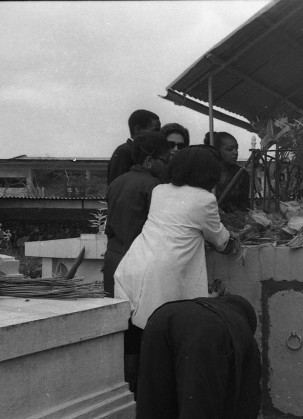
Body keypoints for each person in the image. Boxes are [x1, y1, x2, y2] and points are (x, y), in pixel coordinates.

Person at [127, 294, 262, 419]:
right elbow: (250, 400)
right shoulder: (243, 332)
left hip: (160, 317)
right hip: (205, 331)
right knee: (197, 417)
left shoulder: (205, 306)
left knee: (150, 414)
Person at [114, 145, 230, 331]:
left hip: (135, 266)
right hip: (164, 277)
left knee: (143, 335)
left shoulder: (160, 190)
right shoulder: (204, 199)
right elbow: (221, 241)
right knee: (167, 334)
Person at [103, 131, 170, 394]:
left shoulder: (117, 182)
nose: (167, 165)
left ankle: (127, 391)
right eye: (165, 160)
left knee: (125, 330)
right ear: (151, 160)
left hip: (114, 260)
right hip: (138, 262)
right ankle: (141, 396)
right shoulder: (153, 187)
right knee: (144, 330)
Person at [108, 110, 161, 185]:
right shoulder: (123, 152)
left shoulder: (144, 151)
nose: (159, 135)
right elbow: (117, 186)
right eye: (155, 130)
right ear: (138, 129)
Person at [204, 131, 251, 212]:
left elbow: (244, 205)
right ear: (216, 151)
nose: (235, 153)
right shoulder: (204, 173)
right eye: (230, 149)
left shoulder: (242, 175)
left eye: (236, 149)